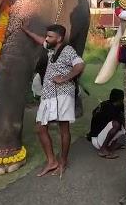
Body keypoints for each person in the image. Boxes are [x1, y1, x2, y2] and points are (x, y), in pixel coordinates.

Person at [21, 23, 84, 177]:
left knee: (64, 128)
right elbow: (39, 40)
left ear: (60, 38)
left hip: (63, 93)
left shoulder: (68, 50)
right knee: (40, 127)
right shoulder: (51, 49)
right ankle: (51, 161)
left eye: (50, 36)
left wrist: (64, 78)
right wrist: (26, 31)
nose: (47, 39)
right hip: (48, 94)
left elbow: (80, 64)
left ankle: (63, 161)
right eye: (47, 36)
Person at [87, 88, 126, 159]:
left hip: (97, 136)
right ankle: (103, 149)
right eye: (122, 99)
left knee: (119, 124)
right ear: (119, 100)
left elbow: (93, 112)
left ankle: (111, 146)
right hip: (97, 141)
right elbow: (123, 122)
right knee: (117, 124)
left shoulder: (107, 103)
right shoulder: (110, 109)